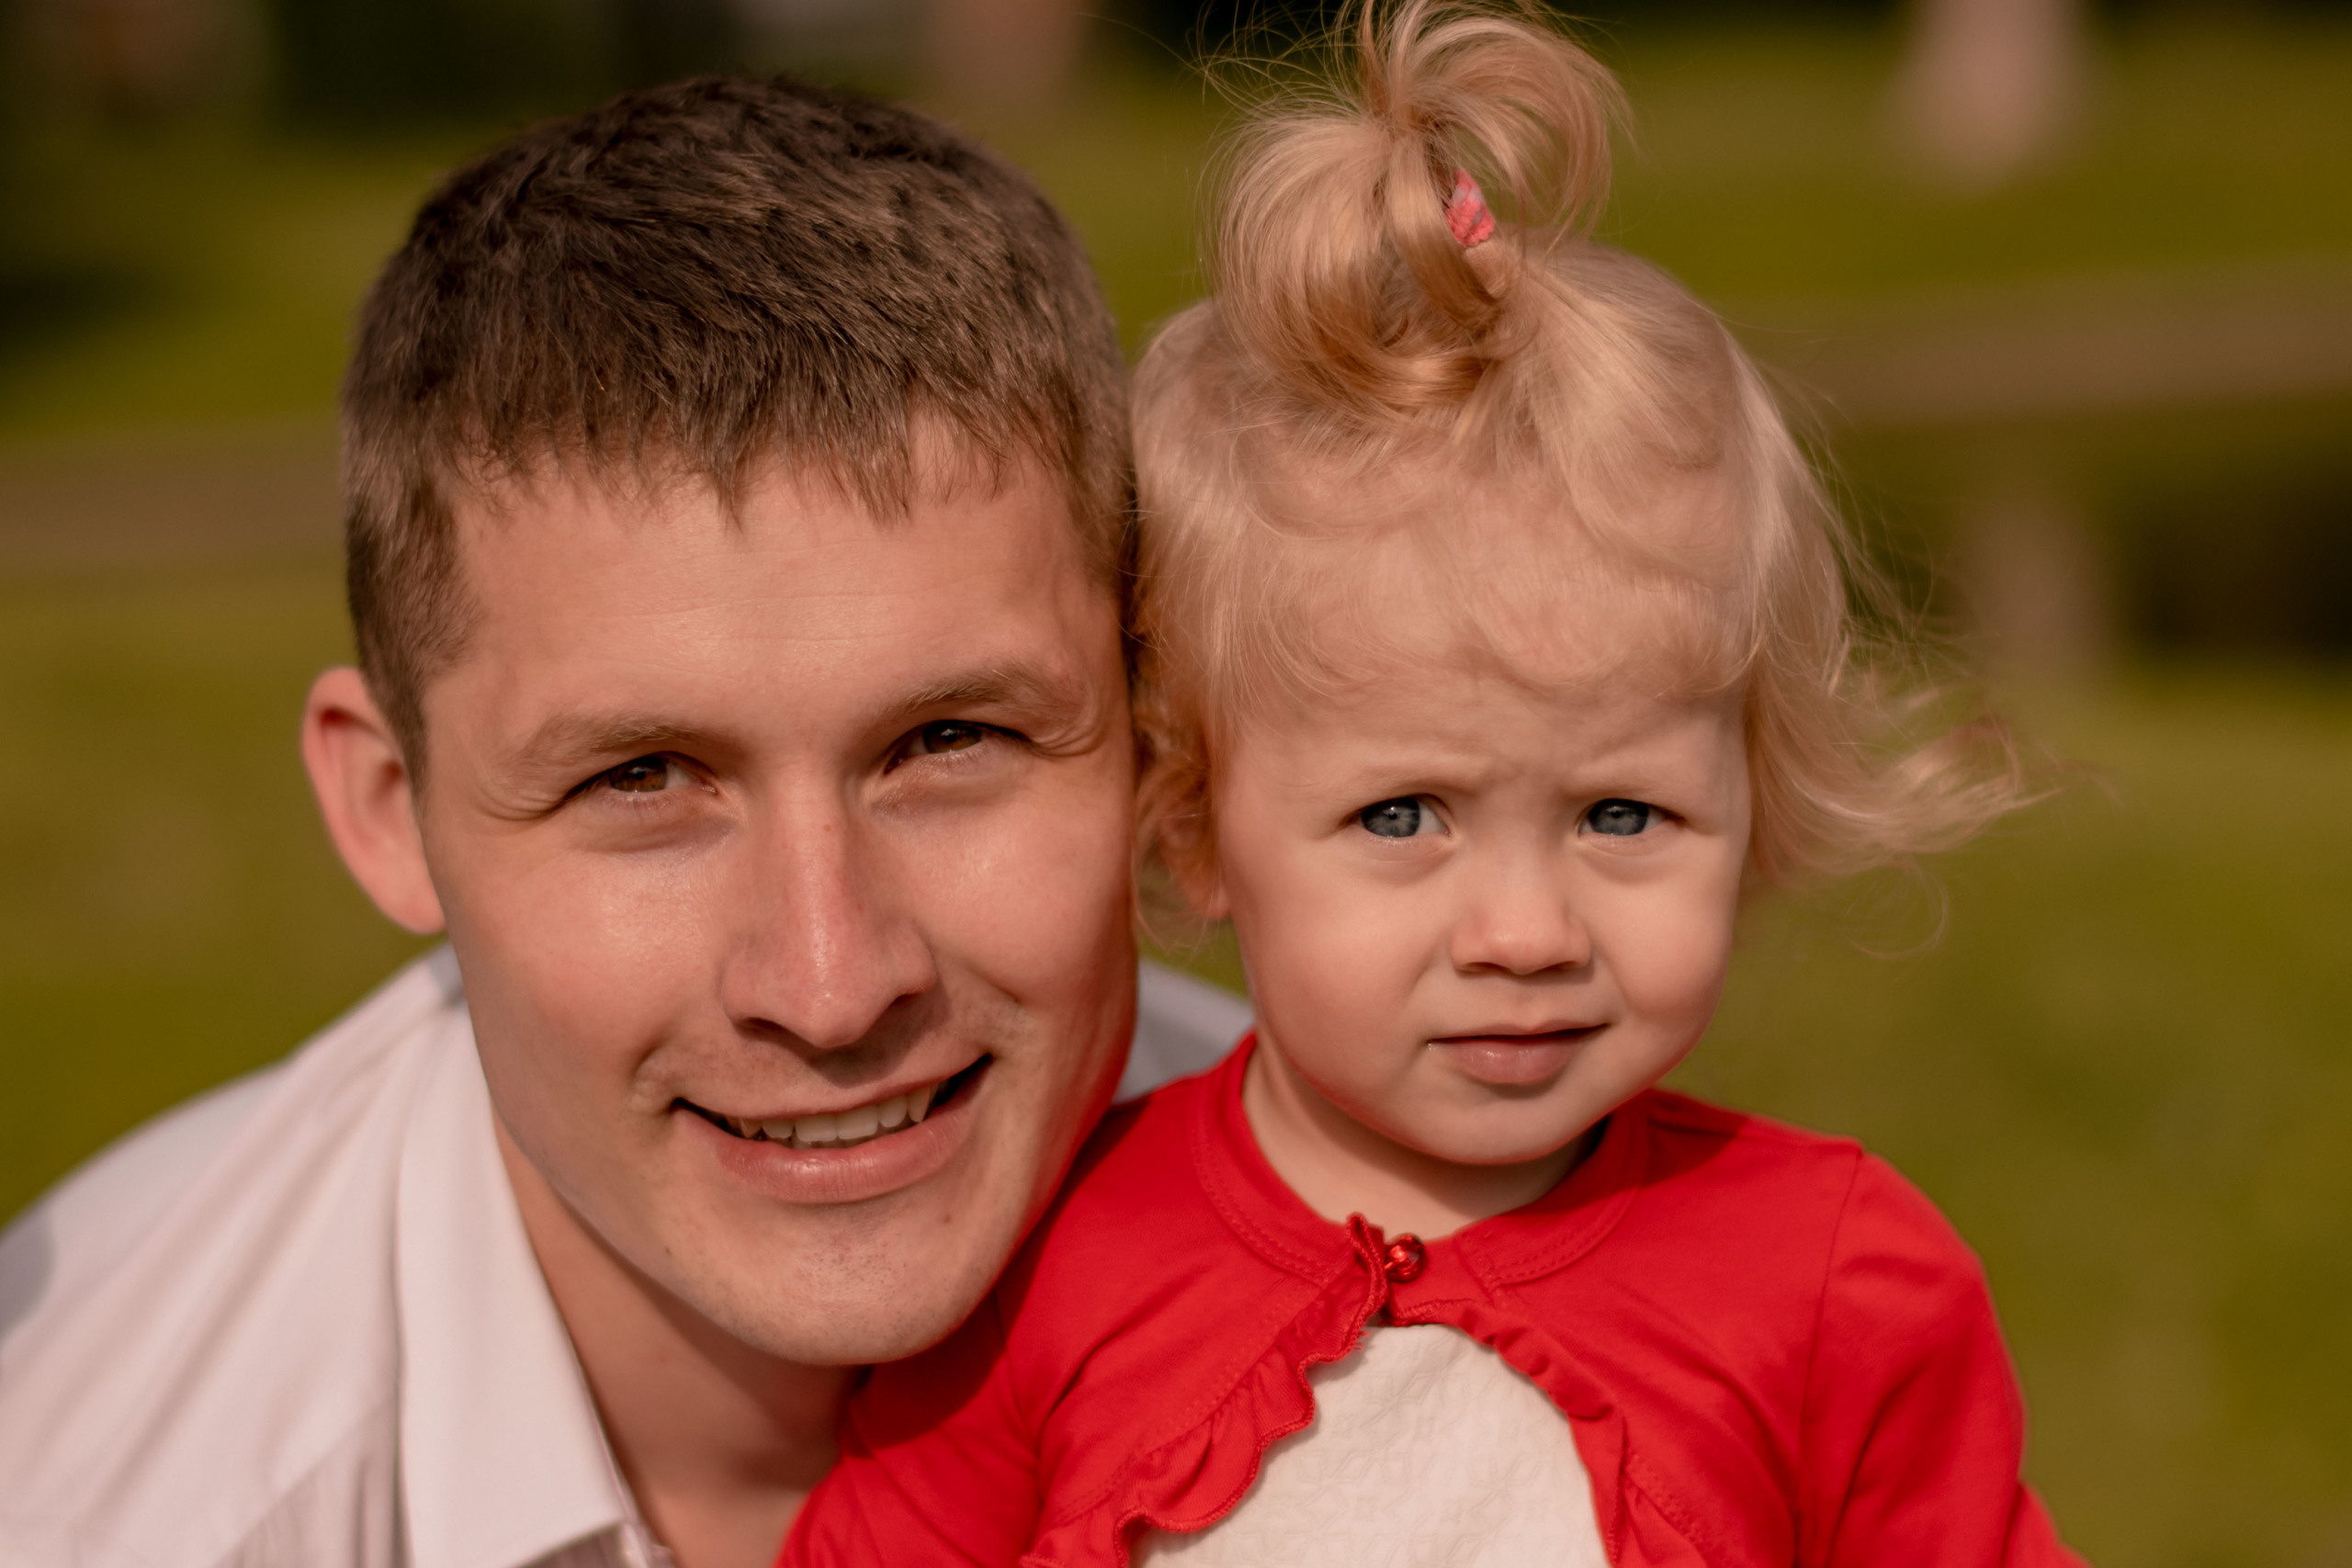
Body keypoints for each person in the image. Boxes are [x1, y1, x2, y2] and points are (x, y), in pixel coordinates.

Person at [779, 6, 2083, 1564]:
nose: (1526, 931)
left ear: (1751, 799)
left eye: (1623, 816)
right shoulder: (1049, 1258)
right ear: (1193, 824)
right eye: (1402, 817)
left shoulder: (1841, 1282)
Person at [0, 76, 1249, 1568]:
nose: (834, 981)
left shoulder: (1458, 1292)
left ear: (1153, 725)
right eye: (641, 780)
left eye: (950, 739)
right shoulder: (103, 1512)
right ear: (389, 811)